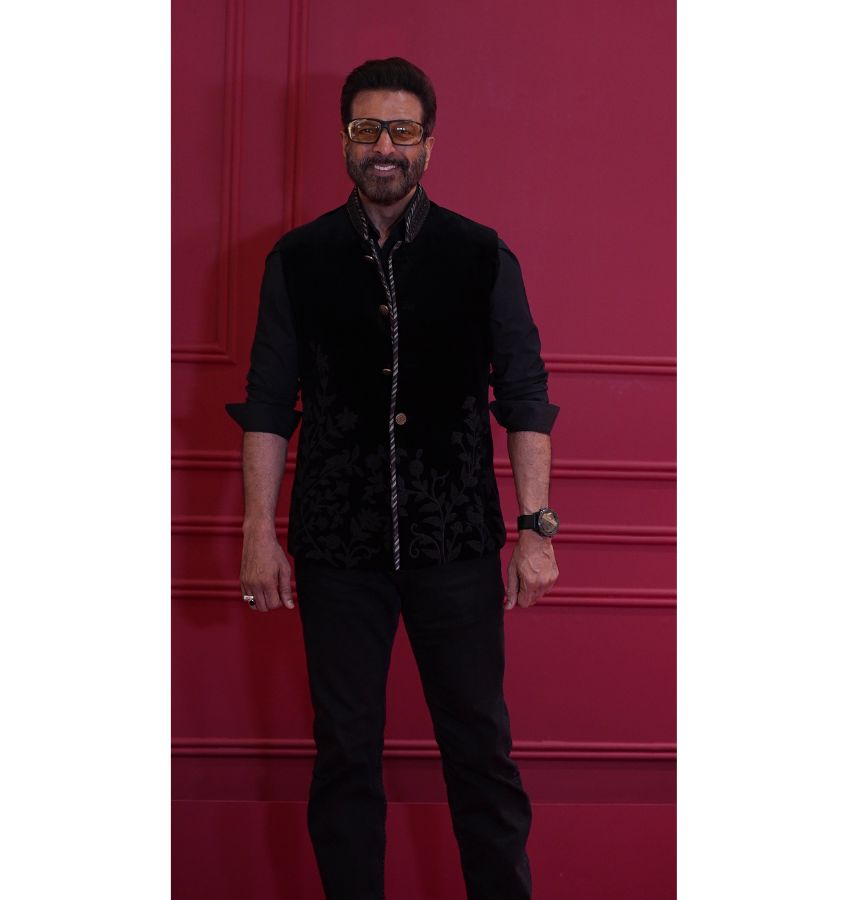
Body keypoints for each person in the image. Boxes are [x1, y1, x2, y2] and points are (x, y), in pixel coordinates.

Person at [225, 56, 561, 900]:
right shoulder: (297, 261)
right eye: (368, 128)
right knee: (345, 755)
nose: (384, 146)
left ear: (428, 144)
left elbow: (524, 395)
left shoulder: (482, 255)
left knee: (480, 750)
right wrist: (258, 531)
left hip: (456, 544)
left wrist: (536, 529)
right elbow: (267, 403)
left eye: (402, 130)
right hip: (337, 549)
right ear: (345, 139)